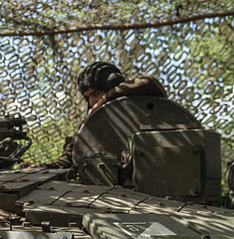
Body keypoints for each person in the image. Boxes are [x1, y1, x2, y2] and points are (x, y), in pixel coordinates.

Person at [22, 61, 167, 169]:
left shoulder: (142, 109)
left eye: (96, 94)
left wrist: (106, 99)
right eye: (87, 97)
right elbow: (69, 158)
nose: (92, 102)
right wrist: (42, 167)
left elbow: (149, 82)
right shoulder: (92, 125)